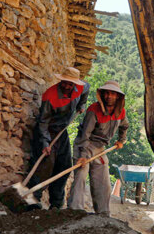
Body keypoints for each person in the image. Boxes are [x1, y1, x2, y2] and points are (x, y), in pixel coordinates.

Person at [27, 67, 89, 209]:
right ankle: (32, 201)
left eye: (70, 84)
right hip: (47, 132)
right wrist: (45, 142)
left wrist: (81, 104)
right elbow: (43, 122)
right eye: (65, 82)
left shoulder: (80, 88)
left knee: (64, 165)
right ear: (61, 80)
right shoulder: (50, 96)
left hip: (62, 132)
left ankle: (56, 204)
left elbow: (87, 89)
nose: (67, 86)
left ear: (75, 84)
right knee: (45, 166)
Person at [68, 80, 129, 216]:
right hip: (85, 145)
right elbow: (85, 135)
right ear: (102, 94)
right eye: (106, 93)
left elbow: (124, 125)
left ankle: (103, 213)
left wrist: (121, 140)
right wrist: (83, 155)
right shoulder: (93, 110)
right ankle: (74, 210)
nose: (108, 96)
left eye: (112, 93)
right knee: (81, 175)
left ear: (118, 96)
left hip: (100, 148)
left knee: (103, 180)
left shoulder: (120, 112)